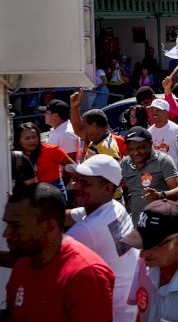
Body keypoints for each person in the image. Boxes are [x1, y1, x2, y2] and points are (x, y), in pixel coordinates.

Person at [4, 183, 115, 320]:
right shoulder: (23, 265)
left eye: (16, 225)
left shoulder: (87, 276)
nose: (6, 233)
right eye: (7, 224)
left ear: (49, 226)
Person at [66, 155, 139, 322]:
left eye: (84, 183)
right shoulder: (115, 207)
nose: (76, 186)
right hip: (132, 310)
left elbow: (44, 256)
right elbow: (70, 215)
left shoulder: (87, 230)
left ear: (106, 188)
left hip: (115, 315)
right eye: (76, 180)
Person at [120, 127, 178, 223]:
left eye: (140, 148)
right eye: (131, 149)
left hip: (165, 224)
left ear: (150, 144)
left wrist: (160, 195)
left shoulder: (163, 160)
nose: (136, 153)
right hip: (139, 226)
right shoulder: (124, 164)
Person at [15, 122, 75, 197]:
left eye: (34, 137)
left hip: (54, 194)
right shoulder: (15, 156)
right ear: (19, 140)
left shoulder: (51, 150)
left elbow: (73, 167)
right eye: (28, 138)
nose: (32, 141)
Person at [148, 99, 178, 179]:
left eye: (158, 110)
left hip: (175, 175)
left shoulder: (176, 130)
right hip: (157, 178)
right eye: (152, 110)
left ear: (167, 113)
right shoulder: (148, 132)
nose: (154, 113)